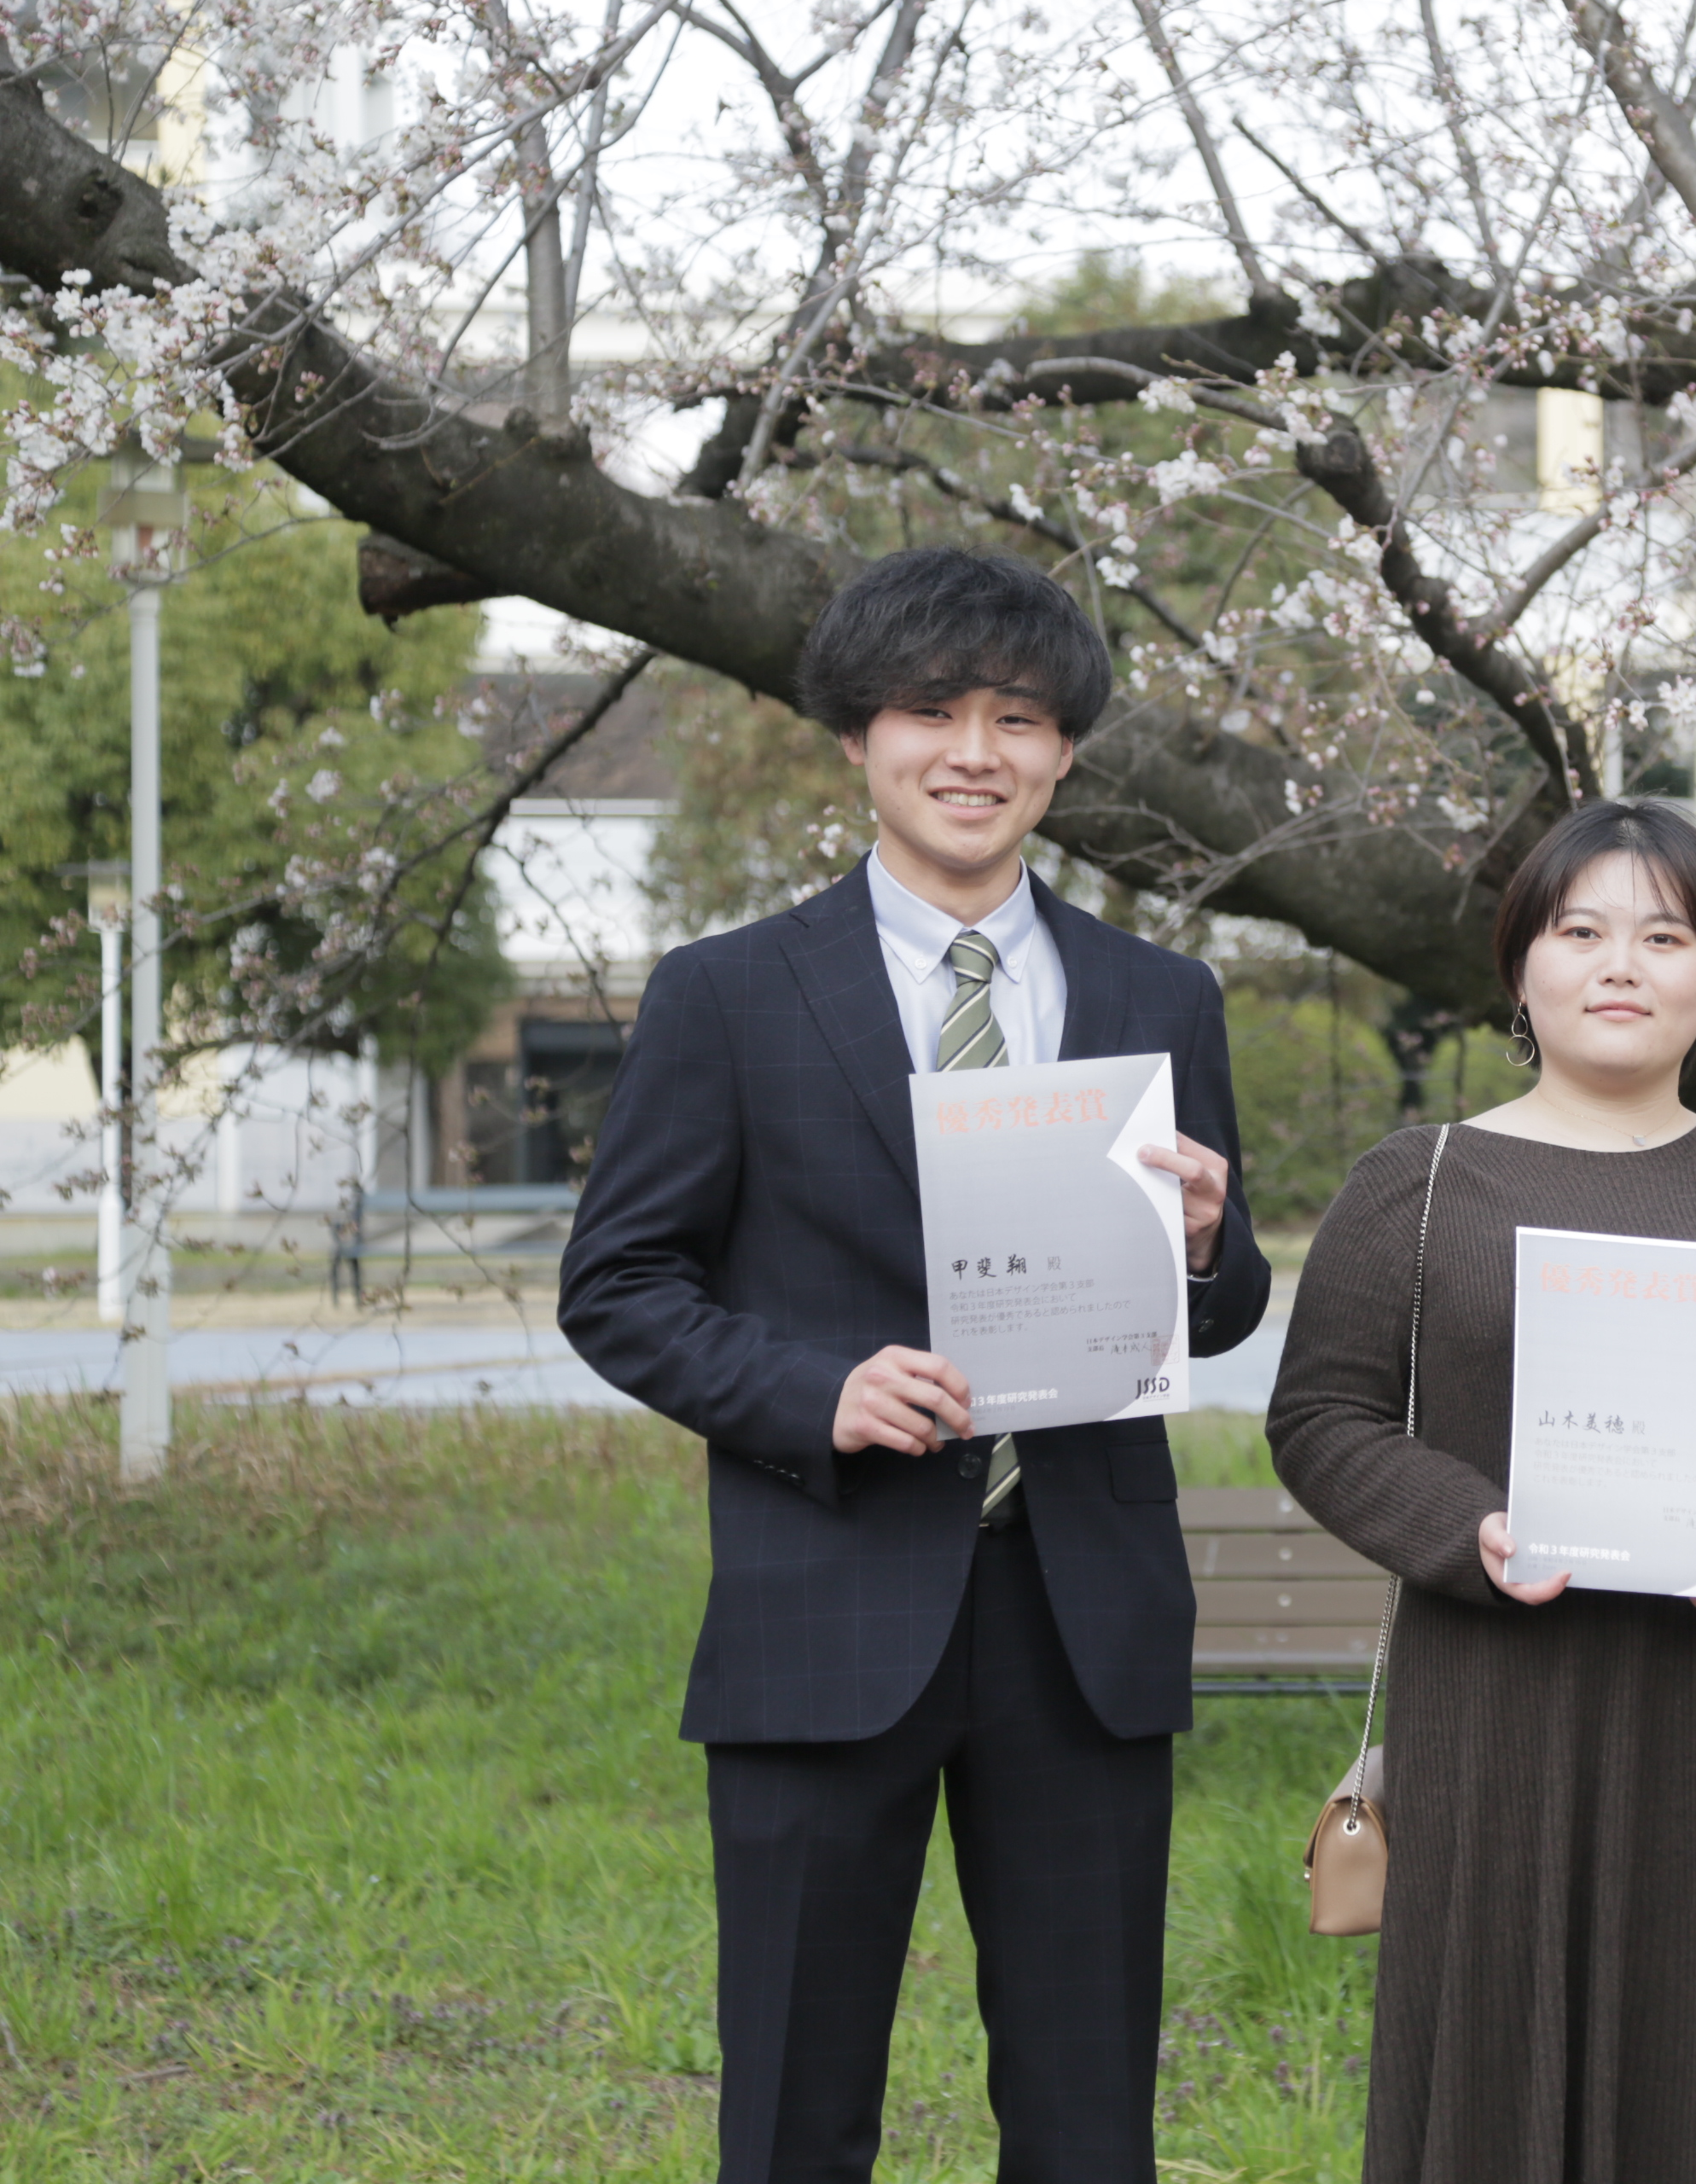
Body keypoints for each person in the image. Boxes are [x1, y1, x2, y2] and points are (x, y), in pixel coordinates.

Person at [559, 546, 1273, 2184]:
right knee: (799, 2110)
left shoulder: (1159, 995)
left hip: (1081, 1615)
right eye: (931, 711)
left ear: (1067, 752)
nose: (975, 750)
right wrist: (814, 1391)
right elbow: (618, 1285)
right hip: (825, 1605)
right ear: (857, 738)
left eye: (1017, 717)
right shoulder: (729, 994)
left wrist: (1216, 1250)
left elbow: (1214, 1314)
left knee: (1092, 2117)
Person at [1265, 798, 1696, 2184]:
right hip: (1495, 1696)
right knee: (1498, 2039)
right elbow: (1322, 1416)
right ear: (1521, 967)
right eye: (1582, 930)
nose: (1622, 963)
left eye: (1665, 935)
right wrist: (1463, 1526)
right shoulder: (1421, 1186)